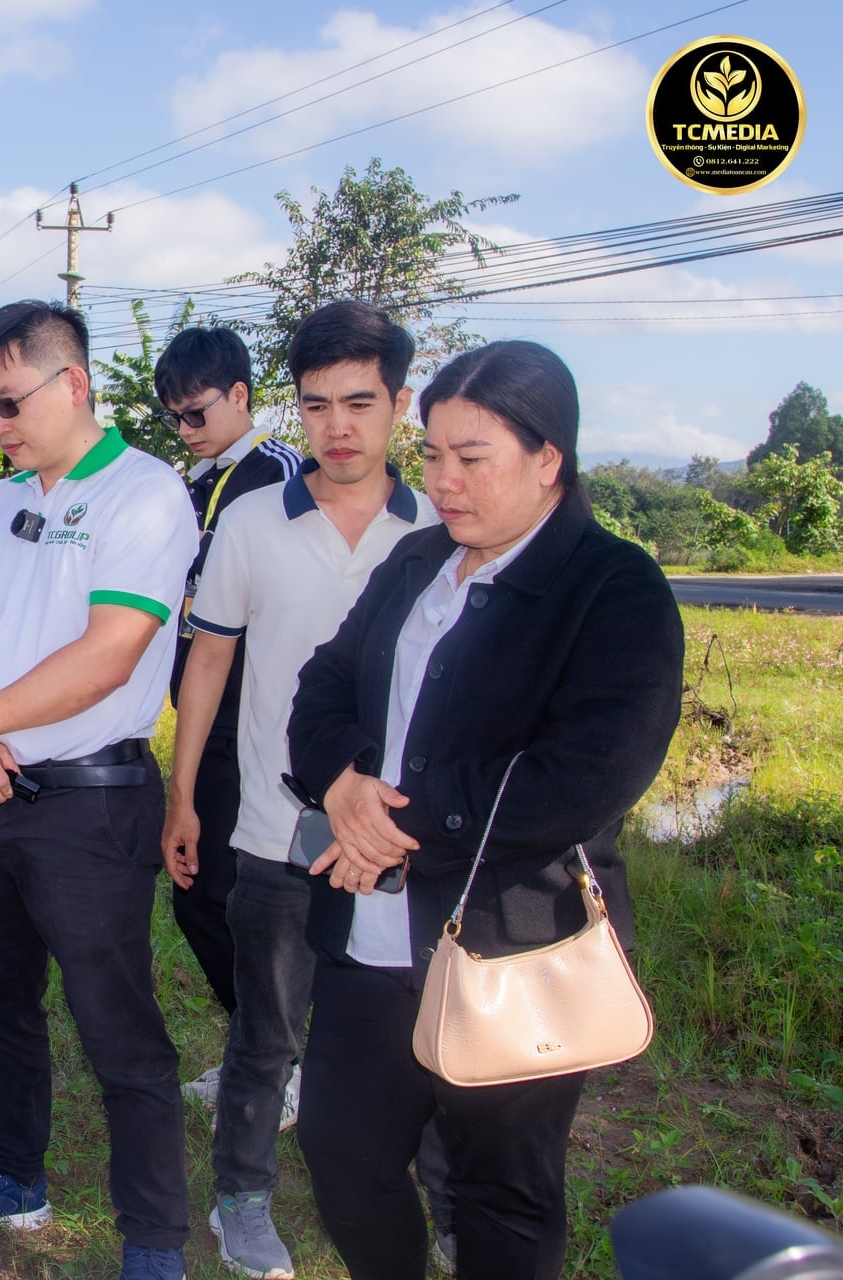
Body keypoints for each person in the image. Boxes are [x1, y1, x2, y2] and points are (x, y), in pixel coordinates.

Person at [287, 340, 684, 1280]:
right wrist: (343, 785)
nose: (445, 481)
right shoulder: (418, 561)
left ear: (549, 461)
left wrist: (399, 825)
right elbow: (323, 687)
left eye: (473, 459)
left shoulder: (611, 589)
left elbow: (587, 774)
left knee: (500, 1188)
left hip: (515, 946)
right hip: (373, 938)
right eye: (433, 455)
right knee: (341, 1154)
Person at [0, 300, 194, 1280]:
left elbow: (110, 654)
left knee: (116, 1022)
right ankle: (12, 1172)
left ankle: (155, 1235)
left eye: (7, 402)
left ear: (70, 382)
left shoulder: (144, 493)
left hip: (90, 800)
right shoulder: (0, 502)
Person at [163, 299, 437, 1280]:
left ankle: (442, 1198)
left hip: (403, 837)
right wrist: (186, 793)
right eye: (317, 404)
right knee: (265, 1029)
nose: (339, 426)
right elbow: (206, 665)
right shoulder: (251, 520)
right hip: (278, 828)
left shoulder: (442, 524)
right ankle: (242, 1197)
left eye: (360, 401)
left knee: (422, 1029)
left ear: (400, 404)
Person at [153, 327, 302, 1077]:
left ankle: (285, 1059)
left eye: (196, 413)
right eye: (174, 417)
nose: (185, 430)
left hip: (264, 723)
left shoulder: (278, 473)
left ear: (241, 396)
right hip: (204, 720)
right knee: (197, 894)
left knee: (259, 901)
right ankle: (261, 1048)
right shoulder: (194, 481)